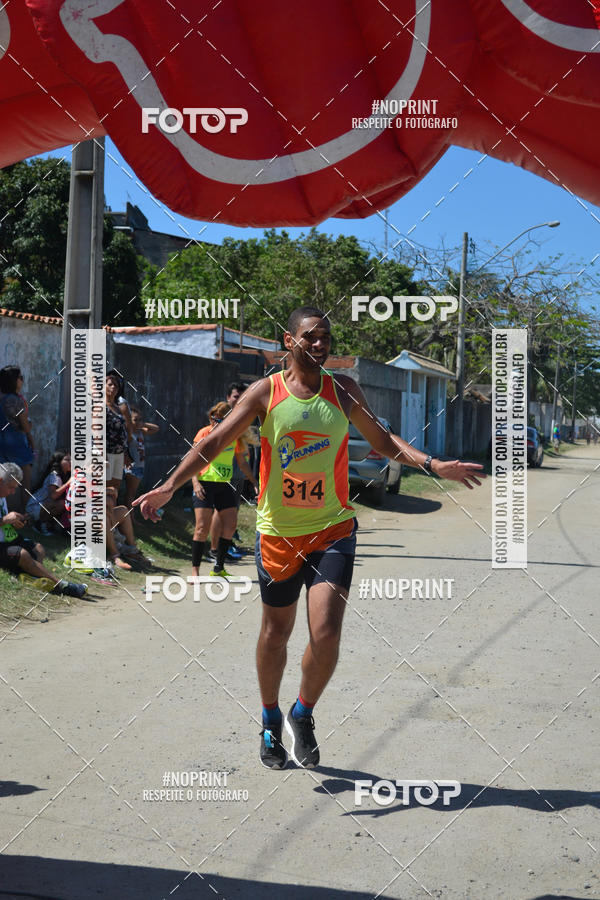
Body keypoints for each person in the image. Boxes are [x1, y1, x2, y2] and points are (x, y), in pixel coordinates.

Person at [135, 306, 485, 770]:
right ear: (289, 341)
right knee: (275, 632)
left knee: (326, 633)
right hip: (278, 534)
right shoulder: (267, 393)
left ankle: (303, 712)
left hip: (333, 528)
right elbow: (215, 442)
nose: (320, 344)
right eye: (311, 337)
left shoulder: (343, 391)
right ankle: (268, 718)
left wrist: (433, 464)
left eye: (326, 337)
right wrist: (169, 485)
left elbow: (382, 441)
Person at [190, 401, 258, 578]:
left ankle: (218, 567)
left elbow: (242, 463)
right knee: (201, 528)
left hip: (224, 484)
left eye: (221, 420)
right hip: (204, 483)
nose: (216, 422)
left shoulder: (234, 436)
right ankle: (195, 570)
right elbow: (192, 460)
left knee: (230, 525)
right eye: (214, 418)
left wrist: (254, 482)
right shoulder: (204, 433)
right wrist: (195, 483)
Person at [0, 462, 87, 598]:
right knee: (23, 555)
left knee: (38, 548)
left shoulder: (2, 496)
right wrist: (5, 520)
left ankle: (36, 576)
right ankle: (61, 585)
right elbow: (3, 520)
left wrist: (15, 521)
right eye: (11, 488)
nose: (13, 492)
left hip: (8, 539)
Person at [207, 382, 258, 564]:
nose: (239, 400)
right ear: (228, 397)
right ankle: (214, 550)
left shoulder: (243, 416)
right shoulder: (222, 416)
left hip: (236, 474)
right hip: (221, 475)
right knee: (219, 512)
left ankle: (225, 547)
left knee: (230, 513)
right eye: (236, 396)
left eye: (242, 396)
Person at [0, 366, 35, 512]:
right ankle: (25, 513)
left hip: (2, 444)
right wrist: (30, 430)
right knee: (25, 481)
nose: (22, 381)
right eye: (20, 378)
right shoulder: (16, 401)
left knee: (3, 481)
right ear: (14, 381)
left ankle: (4, 512)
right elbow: (25, 427)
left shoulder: (2, 399)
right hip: (17, 445)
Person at [26, 450, 72, 535]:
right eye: (67, 460)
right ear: (59, 462)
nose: (71, 462)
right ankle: (39, 524)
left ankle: (49, 524)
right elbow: (53, 496)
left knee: (67, 503)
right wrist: (68, 483)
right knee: (63, 503)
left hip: (44, 506)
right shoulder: (55, 475)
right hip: (35, 507)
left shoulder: (66, 475)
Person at [123, 406, 159, 509]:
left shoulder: (140, 431)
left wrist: (142, 424)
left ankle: (130, 516)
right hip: (132, 466)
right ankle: (129, 518)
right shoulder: (128, 432)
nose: (138, 422)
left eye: (140, 419)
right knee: (130, 493)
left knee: (132, 493)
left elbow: (156, 428)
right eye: (135, 419)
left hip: (140, 464)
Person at [106, 372, 129, 494]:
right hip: (106, 453)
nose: (113, 387)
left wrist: (126, 453)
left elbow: (124, 431)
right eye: (110, 384)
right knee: (105, 490)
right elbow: (96, 431)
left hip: (119, 453)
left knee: (115, 490)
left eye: (115, 385)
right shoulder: (99, 406)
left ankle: (112, 512)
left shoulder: (119, 408)